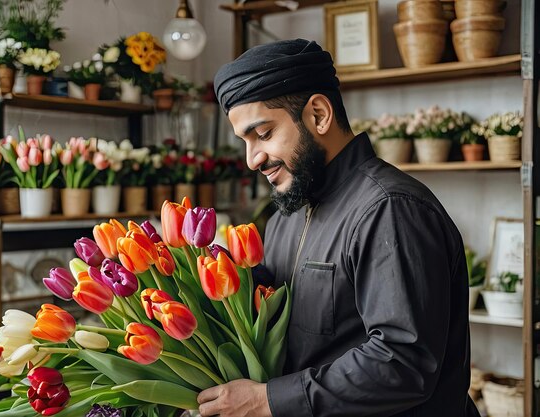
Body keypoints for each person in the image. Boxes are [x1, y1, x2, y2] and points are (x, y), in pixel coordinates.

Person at [196, 39, 479, 417]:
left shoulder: (390, 209)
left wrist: (267, 400)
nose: (252, 159)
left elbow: (403, 363)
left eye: (263, 134)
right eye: (245, 142)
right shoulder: (285, 215)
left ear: (318, 114)